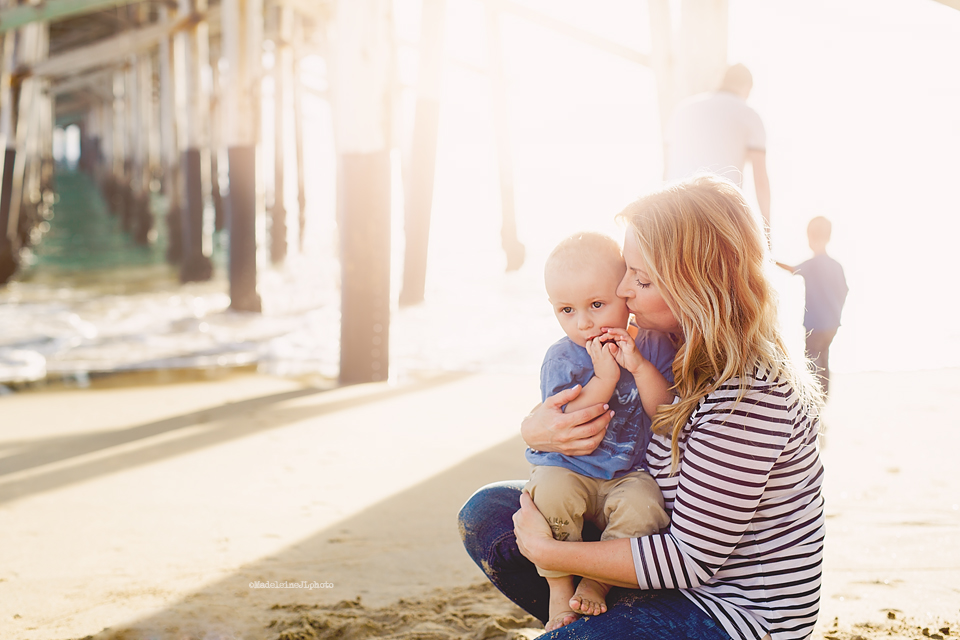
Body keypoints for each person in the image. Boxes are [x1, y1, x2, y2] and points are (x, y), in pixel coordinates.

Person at [459, 174, 826, 640]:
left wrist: (554, 555)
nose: (624, 291)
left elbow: (691, 558)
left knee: (537, 543)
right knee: (490, 513)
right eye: (625, 272)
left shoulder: (750, 396)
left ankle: (591, 617)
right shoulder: (659, 345)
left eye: (642, 278)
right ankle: (587, 619)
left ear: (699, 283)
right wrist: (536, 430)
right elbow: (602, 430)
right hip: (656, 548)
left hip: (730, 610)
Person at [530, 232, 676, 631]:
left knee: (646, 506)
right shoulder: (562, 357)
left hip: (627, 473)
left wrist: (639, 367)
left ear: (624, 294)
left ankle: (597, 582)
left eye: (597, 304)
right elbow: (564, 422)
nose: (584, 322)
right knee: (549, 494)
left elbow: (664, 411)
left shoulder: (653, 344)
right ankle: (559, 594)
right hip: (569, 467)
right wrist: (605, 377)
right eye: (566, 310)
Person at [664, 63, 771, 235]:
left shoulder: (683, 109)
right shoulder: (749, 115)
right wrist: (767, 232)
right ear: (747, 88)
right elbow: (761, 181)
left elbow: (666, 170)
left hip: (675, 211)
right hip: (719, 214)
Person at [776, 216, 848, 396]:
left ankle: (814, 398)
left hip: (815, 324)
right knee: (824, 358)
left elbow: (792, 269)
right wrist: (836, 312)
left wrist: (771, 259)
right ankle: (823, 397)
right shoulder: (836, 265)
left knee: (812, 360)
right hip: (832, 324)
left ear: (810, 238)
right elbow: (845, 290)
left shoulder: (812, 264)